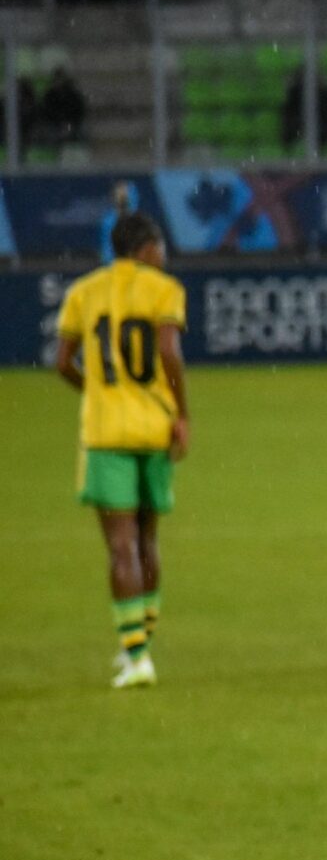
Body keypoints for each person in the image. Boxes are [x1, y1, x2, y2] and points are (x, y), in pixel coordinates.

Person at [53, 214, 189, 690]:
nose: (164, 254)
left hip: (106, 432)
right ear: (144, 249)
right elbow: (170, 353)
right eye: (159, 245)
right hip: (153, 427)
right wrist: (181, 413)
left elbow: (62, 361)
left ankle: (135, 656)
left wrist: (97, 391)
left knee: (120, 545)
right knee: (148, 540)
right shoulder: (164, 291)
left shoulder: (84, 293)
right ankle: (141, 647)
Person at [98, 181, 135, 264]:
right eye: (119, 194)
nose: (122, 197)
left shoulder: (137, 221)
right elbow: (106, 249)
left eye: (125, 195)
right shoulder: (108, 222)